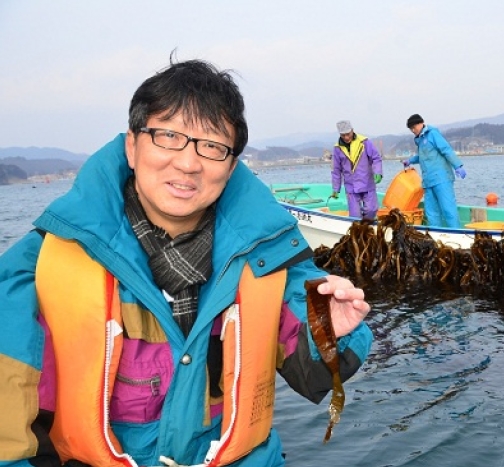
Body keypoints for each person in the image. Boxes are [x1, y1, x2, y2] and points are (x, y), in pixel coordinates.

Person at [0, 59, 373, 467]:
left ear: (231, 165)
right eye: (168, 135)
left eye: (212, 146)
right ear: (132, 144)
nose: (188, 163)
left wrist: (328, 329)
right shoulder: (38, 267)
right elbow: (11, 441)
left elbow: (312, 371)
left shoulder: (270, 252)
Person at [402, 114, 466, 228]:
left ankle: (457, 234)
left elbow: (446, 150)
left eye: (413, 127)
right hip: (428, 181)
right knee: (432, 213)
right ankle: (436, 236)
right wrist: (410, 160)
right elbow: (422, 156)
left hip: (442, 179)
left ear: (420, 123)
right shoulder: (420, 140)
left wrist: (457, 165)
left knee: (448, 209)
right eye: (410, 129)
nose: (413, 130)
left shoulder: (433, 134)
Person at [330, 120, 383, 220]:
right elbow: (336, 170)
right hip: (351, 187)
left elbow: (376, 158)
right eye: (343, 135)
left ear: (352, 130)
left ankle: (366, 226)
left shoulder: (364, 142)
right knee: (355, 218)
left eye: (348, 134)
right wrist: (335, 189)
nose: (346, 137)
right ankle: (359, 231)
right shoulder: (337, 148)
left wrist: (378, 172)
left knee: (371, 210)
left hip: (367, 183)